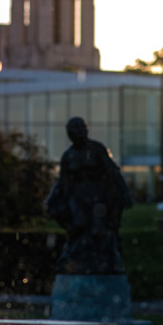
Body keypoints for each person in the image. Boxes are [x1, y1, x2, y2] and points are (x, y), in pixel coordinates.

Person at [46, 117, 135, 275]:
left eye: (82, 127)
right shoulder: (69, 155)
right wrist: (52, 199)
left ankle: (108, 260)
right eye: (75, 128)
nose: (79, 131)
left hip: (97, 196)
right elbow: (62, 182)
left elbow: (113, 171)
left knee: (99, 228)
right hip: (78, 197)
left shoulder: (97, 149)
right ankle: (75, 259)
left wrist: (124, 192)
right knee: (78, 225)